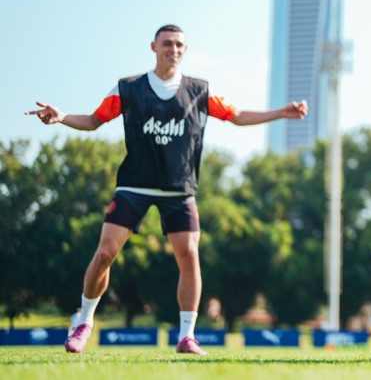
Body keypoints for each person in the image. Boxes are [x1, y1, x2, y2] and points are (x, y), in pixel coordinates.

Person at [27, 24, 308, 355]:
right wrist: (60, 117)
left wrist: (282, 113)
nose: (173, 49)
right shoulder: (129, 88)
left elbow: (236, 115)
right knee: (105, 253)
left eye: (179, 45)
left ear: (184, 50)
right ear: (154, 47)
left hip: (179, 189)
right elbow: (93, 120)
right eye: (167, 44)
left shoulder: (200, 91)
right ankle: (84, 322)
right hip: (134, 185)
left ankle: (186, 336)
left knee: (189, 256)